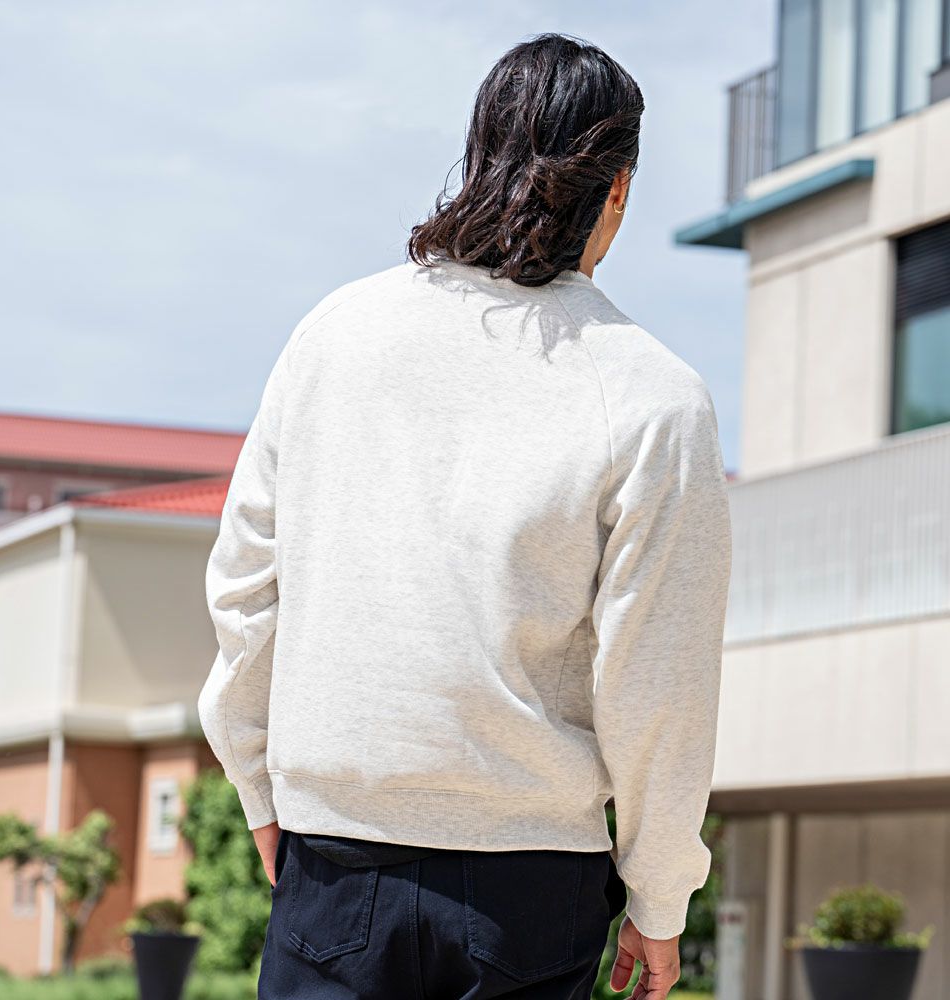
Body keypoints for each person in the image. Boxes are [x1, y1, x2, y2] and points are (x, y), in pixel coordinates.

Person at [197, 31, 732, 1000]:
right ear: (616, 189)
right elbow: (660, 682)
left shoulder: (334, 336)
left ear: (480, 153)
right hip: (530, 884)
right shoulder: (652, 394)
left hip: (336, 858)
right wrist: (659, 897)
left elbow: (245, 586)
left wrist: (257, 780)